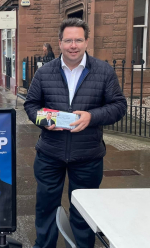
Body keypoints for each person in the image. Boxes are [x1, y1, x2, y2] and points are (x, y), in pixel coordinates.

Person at [24, 18, 127, 248]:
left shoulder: (104, 71)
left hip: (87, 154)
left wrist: (92, 117)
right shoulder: (44, 73)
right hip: (50, 153)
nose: (73, 45)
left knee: (84, 213)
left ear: (86, 42)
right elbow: (31, 105)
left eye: (78, 40)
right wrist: (45, 120)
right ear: (59, 43)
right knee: (45, 208)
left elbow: (119, 106)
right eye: (68, 40)